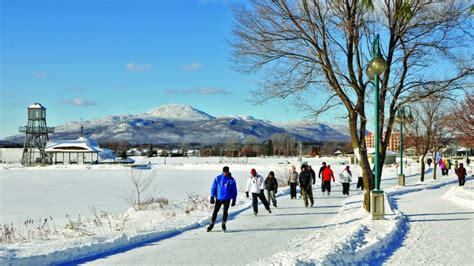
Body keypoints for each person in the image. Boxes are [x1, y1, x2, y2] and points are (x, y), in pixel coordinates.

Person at [207, 166, 237, 232]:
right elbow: (213, 187)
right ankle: (211, 224)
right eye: (224, 172)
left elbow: (234, 190)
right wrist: (212, 196)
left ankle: (223, 224)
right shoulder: (218, 178)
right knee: (215, 212)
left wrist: (234, 199)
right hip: (219, 198)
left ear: (228, 171)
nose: (225, 173)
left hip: (227, 199)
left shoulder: (231, 180)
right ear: (222, 171)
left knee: (225, 212)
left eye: (226, 172)